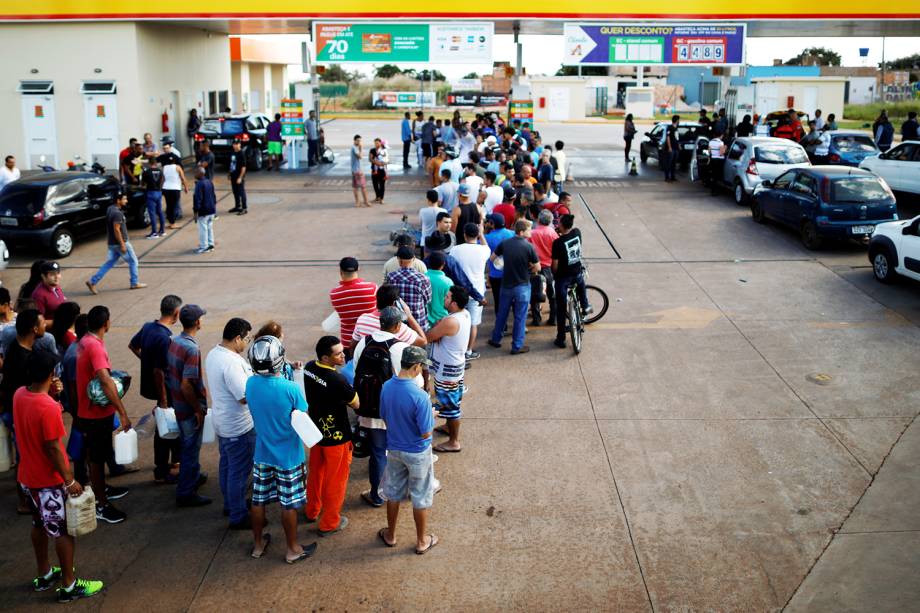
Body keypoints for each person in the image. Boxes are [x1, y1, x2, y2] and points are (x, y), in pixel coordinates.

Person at [15, 350, 105, 602]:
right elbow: (53, 448)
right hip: (49, 483)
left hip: (27, 478)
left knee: (38, 524)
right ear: (51, 373)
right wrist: (69, 480)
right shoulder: (48, 408)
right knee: (62, 531)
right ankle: (69, 585)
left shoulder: (20, 394)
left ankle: (44, 573)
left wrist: (52, 393)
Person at [246, 335, 316, 563]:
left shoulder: (250, 383)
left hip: (262, 453)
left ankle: (258, 545)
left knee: (258, 500)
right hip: (288, 456)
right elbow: (303, 413)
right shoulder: (290, 388)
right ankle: (293, 549)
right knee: (289, 503)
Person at [353, 306, 419, 507]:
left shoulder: (363, 342)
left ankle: (377, 495)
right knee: (401, 451)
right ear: (398, 325)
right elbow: (411, 381)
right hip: (393, 411)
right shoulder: (399, 348)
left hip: (368, 408)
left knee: (378, 453)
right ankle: (397, 491)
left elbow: (356, 371)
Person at [377, 345, 438, 554]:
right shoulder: (420, 396)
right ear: (416, 366)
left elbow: (384, 416)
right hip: (418, 452)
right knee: (420, 495)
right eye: (421, 366)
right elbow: (426, 433)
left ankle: (391, 535)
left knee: (393, 492)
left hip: (394, 448)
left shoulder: (386, 387)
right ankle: (422, 541)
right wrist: (432, 416)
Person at [76, 306, 131, 523]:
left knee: (95, 455)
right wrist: (123, 413)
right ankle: (101, 503)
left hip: (86, 409)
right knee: (97, 458)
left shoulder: (84, 342)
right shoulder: (95, 347)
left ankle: (102, 490)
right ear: (106, 323)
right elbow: (106, 381)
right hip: (95, 414)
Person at [303, 336, 358, 536]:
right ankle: (329, 522)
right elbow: (356, 403)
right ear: (326, 357)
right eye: (338, 353)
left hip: (316, 432)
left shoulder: (310, 367)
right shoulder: (337, 379)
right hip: (337, 438)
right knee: (336, 480)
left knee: (316, 473)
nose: (343, 355)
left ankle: (312, 510)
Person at [205, 317, 254, 529]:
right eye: (247, 339)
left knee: (227, 465)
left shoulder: (214, 353)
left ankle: (230, 504)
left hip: (223, 422)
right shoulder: (231, 363)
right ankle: (238, 514)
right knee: (239, 473)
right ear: (237, 338)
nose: (247, 343)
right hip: (238, 426)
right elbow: (243, 396)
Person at [128, 295, 183, 484]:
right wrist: (164, 400)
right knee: (167, 429)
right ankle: (163, 468)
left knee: (166, 427)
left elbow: (132, 345)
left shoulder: (148, 327)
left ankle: (174, 462)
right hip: (165, 391)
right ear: (176, 313)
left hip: (154, 388)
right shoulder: (164, 338)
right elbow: (159, 372)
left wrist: (147, 361)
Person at [1, 308, 49, 514]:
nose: (45, 324)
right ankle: (24, 500)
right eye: (42, 322)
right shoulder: (22, 357)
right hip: (18, 413)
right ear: (33, 328)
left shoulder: (19, 346)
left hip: (17, 410)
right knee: (25, 457)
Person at [167, 304, 211, 508]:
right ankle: (186, 492)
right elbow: (187, 385)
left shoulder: (174, 341)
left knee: (187, 445)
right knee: (190, 448)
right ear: (197, 322)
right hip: (188, 408)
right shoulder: (192, 349)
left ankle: (193, 475)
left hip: (177, 404)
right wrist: (197, 409)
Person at [488, 219, 539, 355]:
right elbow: (537, 267)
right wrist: (529, 268)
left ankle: (496, 339)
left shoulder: (505, 244)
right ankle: (516, 346)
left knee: (502, 314)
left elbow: (492, 259)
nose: (530, 232)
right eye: (529, 229)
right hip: (522, 286)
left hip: (506, 285)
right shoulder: (529, 247)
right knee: (520, 317)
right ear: (521, 232)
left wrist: (504, 265)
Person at [85, 192, 147, 294]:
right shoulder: (117, 213)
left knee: (109, 263)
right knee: (133, 261)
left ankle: (93, 281)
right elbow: (117, 230)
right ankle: (134, 283)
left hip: (112, 243)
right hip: (120, 243)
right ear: (118, 201)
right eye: (124, 199)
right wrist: (122, 244)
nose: (126, 201)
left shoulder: (110, 209)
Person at [450, 223, 490, 360]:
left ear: (464, 234)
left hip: (460, 291)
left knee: (457, 319)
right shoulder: (483, 250)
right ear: (477, 235)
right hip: (477, 292)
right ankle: (468, 351)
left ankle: (457, 349)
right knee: (473, 323)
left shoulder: (455, 250)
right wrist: (482, 233)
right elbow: (486, 247)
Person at [351, 284, 427, 351]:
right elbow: (423, 341)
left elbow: (353, 345)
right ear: (395, 303)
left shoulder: (362, 319)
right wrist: (409, 315)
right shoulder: (398, 327)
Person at [552, 214, 589, 349]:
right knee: (580, 282)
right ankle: (585, 306)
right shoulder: (577, 232)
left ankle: (561, 338)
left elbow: (555, 265)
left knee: (561, 309)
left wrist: (554, 275)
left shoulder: (557, 243)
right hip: (576, 272)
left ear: (561, 225)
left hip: (563, 277)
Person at [329, 257, 378, 351]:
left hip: (348, 342)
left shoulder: (334, 293)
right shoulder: (372, 288)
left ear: (340, 271)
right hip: (370, 339)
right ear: (358, 269)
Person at [387, 246, 433, 330]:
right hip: (418, 324)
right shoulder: (423, 279)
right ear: (414, 258)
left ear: (399, 260)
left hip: (398, 325)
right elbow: (428, 300)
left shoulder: (391, 277)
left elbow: (389, 299)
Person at [528, 210, 558, 327]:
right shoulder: (553, 234)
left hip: (535, 268)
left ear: (538, 220)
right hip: (550, 268)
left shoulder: (532, 233)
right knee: (552, 295)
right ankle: (553, 319)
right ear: (550, 221)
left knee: (535, 295)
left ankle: (536, 319)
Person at [484, 213, 514, 311]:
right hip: (512, 273)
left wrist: (483, 231)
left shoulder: (487, 238)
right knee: (514, 300)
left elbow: (479, 247)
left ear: (492, 224)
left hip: (495, 275)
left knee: (498, 301)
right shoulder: (512, 234)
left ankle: (501, 326)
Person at [31, 261, 67, 326]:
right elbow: (38, 322)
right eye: (52, 274)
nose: (57, 277)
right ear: (43, 276)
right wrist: (62, 322)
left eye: (58, 273)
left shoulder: (56, 286)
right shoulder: (39, 295)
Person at [160, 148, 188, 229]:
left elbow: (162, 180)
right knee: (174, 206)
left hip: (166, 189)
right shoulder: (178, 167)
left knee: (169, 205)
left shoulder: (164, 167)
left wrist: (160, 188)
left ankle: (170, 221)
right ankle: (173, 223)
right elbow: (183, 178)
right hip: (175, 189)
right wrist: (185, 187)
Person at [424, 251, 453, 327]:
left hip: (425, 320)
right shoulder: (448, 282)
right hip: (442, 320)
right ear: (443, 265)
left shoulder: (422, 278)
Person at [192, 168, 216, 254]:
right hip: (211, 209)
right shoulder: (209, 182)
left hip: (204, 210)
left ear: (200, 173)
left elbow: (197, 199)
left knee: (203, 229)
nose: (194, 174)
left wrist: (195, 212)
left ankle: (204, 247)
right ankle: (211, 244)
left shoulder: (199, 184)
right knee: (209, 228)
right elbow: (214, 196)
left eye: (195, 172)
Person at [141, 156, 166, 239]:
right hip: (158, 192)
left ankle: (154, 233)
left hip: (150, 192)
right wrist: (159, 188)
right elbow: (163, 180)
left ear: (149, 163)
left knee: (152, 213)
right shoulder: (160, 171)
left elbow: (143, 184)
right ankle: (162, 230)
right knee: (160, 211)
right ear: (155, 163)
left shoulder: (146, 172)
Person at [420, 189, 448, 254]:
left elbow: (421, 224)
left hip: (425, 243)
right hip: (440, 244)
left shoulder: (422, 211)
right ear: (437, 199)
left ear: (428, 199)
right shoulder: (444, 211)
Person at [228, 140, 248, 215]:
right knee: (235, 191)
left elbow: (243, 167)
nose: (235, 145)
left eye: (237, 144)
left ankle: (244, 208)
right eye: (234, 144)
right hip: (233, 175)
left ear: (240, 144)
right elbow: (231, 164)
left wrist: (240, 177)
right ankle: (237, 206)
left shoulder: (241, 154)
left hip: (239, 176)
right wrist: (229, 173)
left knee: (241, 192)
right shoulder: (233, 153)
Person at [369, 138, 388, 204]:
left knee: (382, 185)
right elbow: (370, 159)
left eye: (377, 143)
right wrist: (376, 162)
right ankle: (377, 197)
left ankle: (381, 198)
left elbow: (386, 160)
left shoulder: (384, 150)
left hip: (382, 170)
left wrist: (382, 163)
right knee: (375, 184)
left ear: (380, 143)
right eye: (375, 143)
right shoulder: (372, 150)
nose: (376, 144)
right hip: (374, 170)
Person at [708, 131, 726, 195]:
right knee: (718, 176)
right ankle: (716, 190)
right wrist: (725, 149)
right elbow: (721, 153)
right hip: (719, 160)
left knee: (713, 175)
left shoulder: (711, 142)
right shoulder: (721, 143)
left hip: (713, 159)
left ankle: (712, 190)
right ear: (721, 135)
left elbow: (709, 151)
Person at [663, 115, 680, 182]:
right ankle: (667, 177)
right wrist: (669, 147)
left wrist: (678, 145)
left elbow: (677, 137)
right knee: (669, 163)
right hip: (671, 148)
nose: (679, 121)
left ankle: (673, 176)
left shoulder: (676, 128)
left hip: (676, 148)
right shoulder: (669, 127)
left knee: (674, 163)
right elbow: (668, 137)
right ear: (676, 120)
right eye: (678, 120)